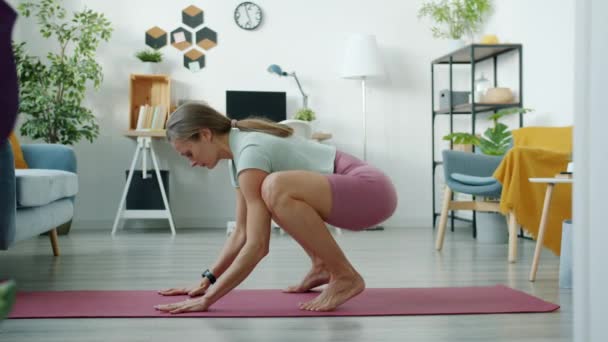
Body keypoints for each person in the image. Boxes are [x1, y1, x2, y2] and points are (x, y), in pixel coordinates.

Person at [155, 102, 397, 314]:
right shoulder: (239, 159)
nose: (192, 162)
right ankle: (322, 265)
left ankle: (345, 276)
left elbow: (258, 246)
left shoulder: (250, 152)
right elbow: (241, 232)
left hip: (370, 192)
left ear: (205, 134)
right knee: (272, 191)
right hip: (355, 196)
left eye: (188, 153)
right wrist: (207, 280)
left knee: (274, 187)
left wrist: (208, 300)